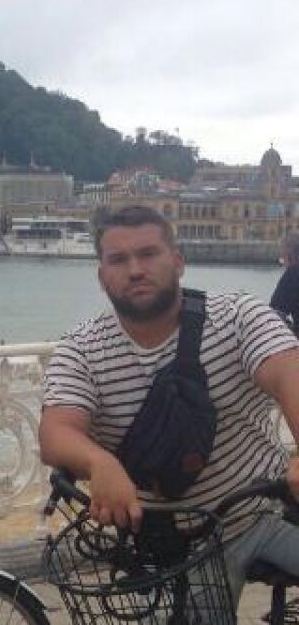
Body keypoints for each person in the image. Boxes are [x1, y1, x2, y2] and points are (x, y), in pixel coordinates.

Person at [40, 204, 299, 607]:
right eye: (118, 260)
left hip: (264, 507)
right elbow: (56, 430)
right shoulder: (82, 350)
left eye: (148, 254)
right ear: (102, 276)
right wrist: (97, 462)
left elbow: (287, 371)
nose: (135, 270)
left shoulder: (236, 316)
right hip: (176, 542)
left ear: (178, 262)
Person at [270, 231, 299, 331]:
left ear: (290, 256)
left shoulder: (293, 274)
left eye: (282, 258)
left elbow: (274, 316)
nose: (283, 264)